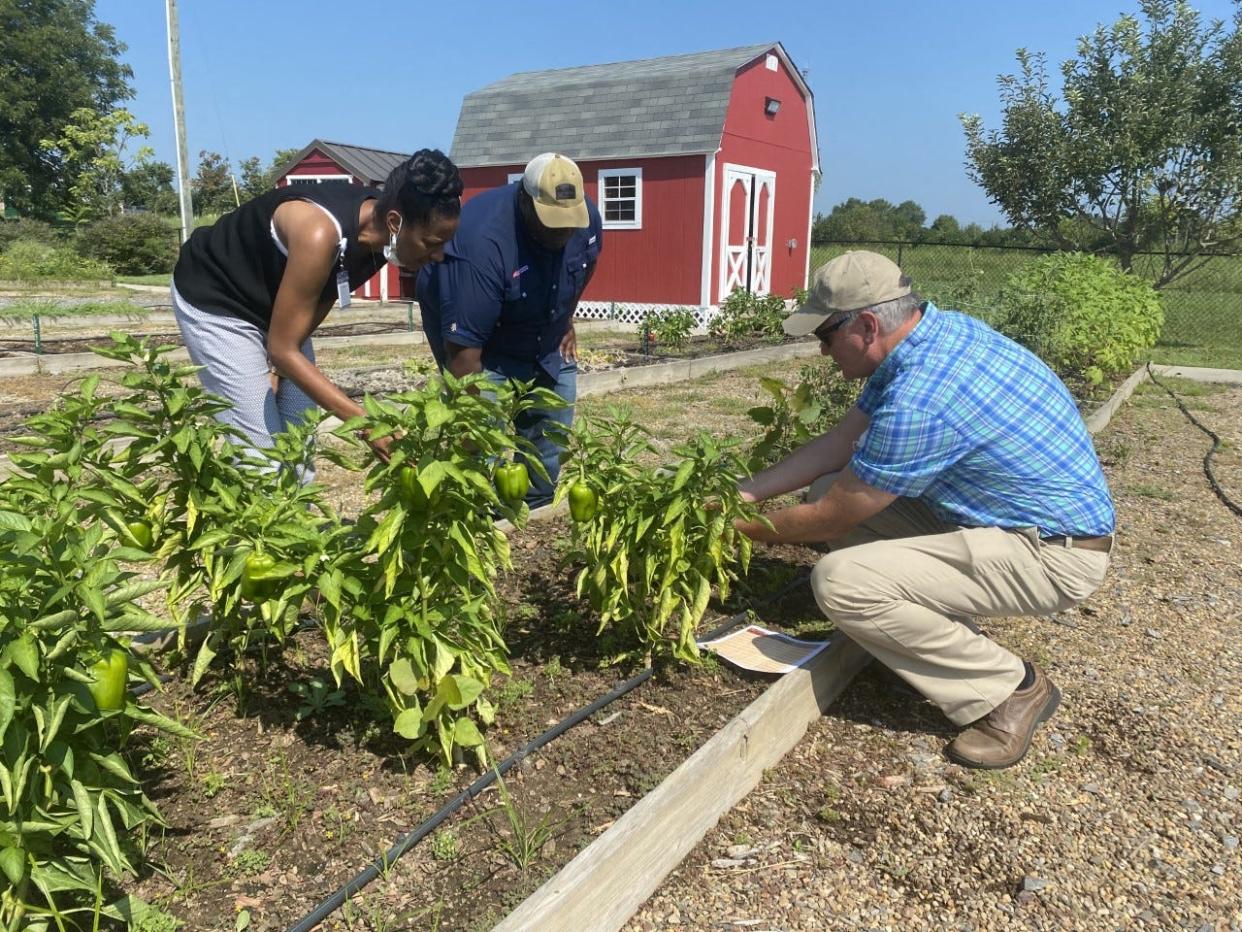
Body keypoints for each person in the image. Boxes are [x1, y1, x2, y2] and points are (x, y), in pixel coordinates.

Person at [734, 251, 1115, 770]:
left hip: (1051, 554)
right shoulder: (932, 337)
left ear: (867, 325)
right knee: (827, 483)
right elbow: (841, 443)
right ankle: (922, 634)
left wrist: (733, 528)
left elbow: (834, 516)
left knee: (841, 581)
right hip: (1005, 522)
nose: (822, 353)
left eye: (824, 337)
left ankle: (1009, 691)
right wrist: (744, 494)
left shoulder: (922, 395)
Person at [171, 149, 463, 468]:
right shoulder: (320, 233)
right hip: (218, 300)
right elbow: (284, 349)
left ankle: (299, 515)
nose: (438, 255)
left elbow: (321, 299)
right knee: (261, 457)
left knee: (299, 440)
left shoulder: (380, 240)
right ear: (395, 222)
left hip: (276, 309)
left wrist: (275, 369)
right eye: (432, 242)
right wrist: (367, 424)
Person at [416, 152, 603, 506]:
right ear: (524, 200)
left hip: (543, 337)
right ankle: (472, 514)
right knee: (478, 452)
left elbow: (587, 263)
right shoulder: (480, 242)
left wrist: (566, 318)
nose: (563, 230)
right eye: (552, 220)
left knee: (550, 438)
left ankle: (534, 509)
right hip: (481, 347)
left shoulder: (585, 218)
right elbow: (464, 354)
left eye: (569, 221)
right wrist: (472, 429)